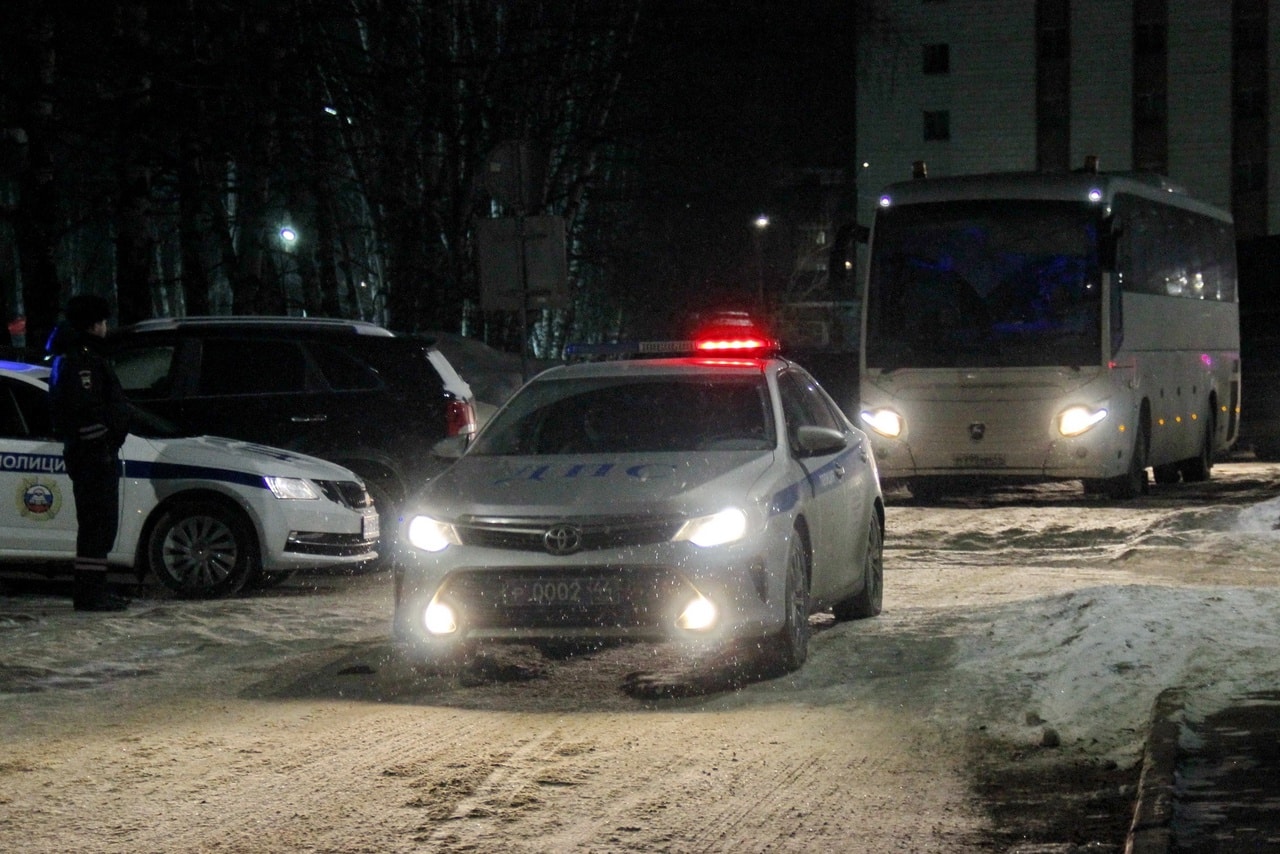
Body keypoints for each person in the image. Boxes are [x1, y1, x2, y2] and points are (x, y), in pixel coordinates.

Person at [46, 294, 131, 612]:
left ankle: (94, 590)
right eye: (103, 321)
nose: (107, 327)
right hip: (94, 457)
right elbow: (86, 412)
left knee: (98, 526)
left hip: (93, 455)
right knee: (97, 525)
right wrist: (105, 445)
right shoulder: (81, 360)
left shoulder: (79, 356)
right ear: (93, 324)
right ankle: (90, 595)